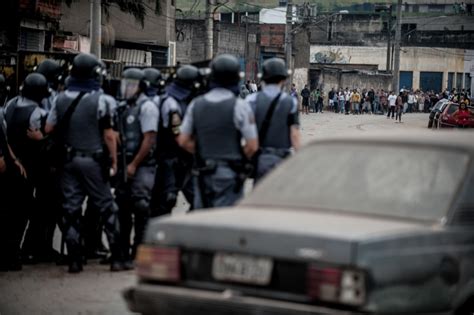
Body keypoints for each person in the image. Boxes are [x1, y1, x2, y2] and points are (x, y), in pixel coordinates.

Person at [45, 53, 124, 273]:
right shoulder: (103, 100)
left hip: (68, 161)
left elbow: (49, 129)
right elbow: (109, 135)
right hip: (94, 161)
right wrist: (114, 162)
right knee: (107, 206)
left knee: (71, 209)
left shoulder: (59, 98)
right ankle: (117, 257)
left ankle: (75, 260)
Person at [178, 54, 258, 209]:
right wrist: (234, 158)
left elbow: (183, 140)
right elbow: (252, 145)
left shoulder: (196, 104)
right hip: (229, 173)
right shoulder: (240, 106)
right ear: (236, 78)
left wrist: (203, 152)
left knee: (202, 218)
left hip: (202, 172)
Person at [2, 73, 48, 270]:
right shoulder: (37, 113)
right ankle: (12, 255)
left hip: (8, 164)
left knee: (6, 211)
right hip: (26, 169)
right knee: (21, 213)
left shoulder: (9, 105)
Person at [115, 68, 158, 267]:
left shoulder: (147, 107)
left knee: (141, 207)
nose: (127, 88)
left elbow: (149, 139)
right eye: (126, 84)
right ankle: (121, 254)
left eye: (132, 85)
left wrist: (134, 164)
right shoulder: (122, 107)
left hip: (142, 165)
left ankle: (138, 253)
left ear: (141, 87)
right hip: (124, 164)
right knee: (122, 210)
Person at [151, 65, 199, 217]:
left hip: (184, 160)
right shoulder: (171, 103)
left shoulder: (182, 100)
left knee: (199, 200)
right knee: (166, 200)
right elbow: (178, 136)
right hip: (170, 159)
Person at [246, 58, 300, 182]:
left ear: (263, 78)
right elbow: (295, 135)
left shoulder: (251, 101)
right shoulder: (291, 102)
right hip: (283, 160)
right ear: (283, 79)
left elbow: (247, 134)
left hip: (260, 159)